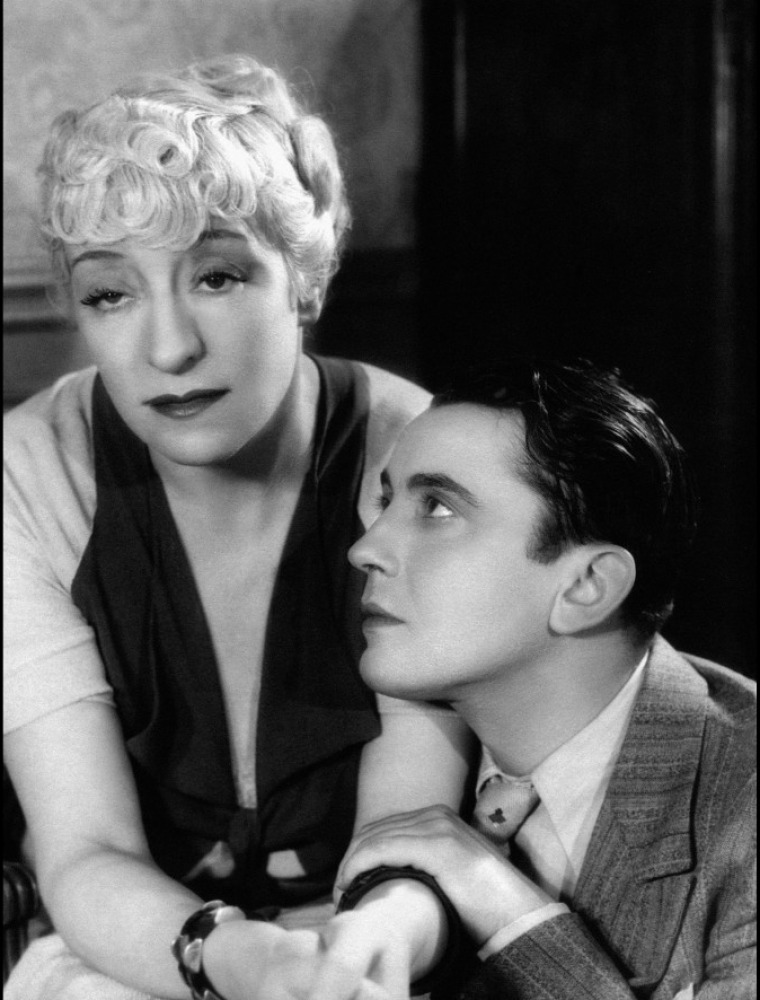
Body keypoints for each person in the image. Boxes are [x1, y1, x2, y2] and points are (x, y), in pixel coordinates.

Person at [2, 54, 474, 1000]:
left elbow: (412, 832)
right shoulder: (30, 474)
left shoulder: (417, 457)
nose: (170, 348)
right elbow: (84, 849)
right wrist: (234, 961)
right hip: (132, 948)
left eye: (217, 277)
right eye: (110, 294)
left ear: (303, 279)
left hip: (383, 938)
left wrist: (362, 952)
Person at [336, 358, 756, 999]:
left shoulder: (744, 800)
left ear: (587, 586)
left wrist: (502, 904)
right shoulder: (379, 762)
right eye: (386, 501)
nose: (364, 548)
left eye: (438, 508)